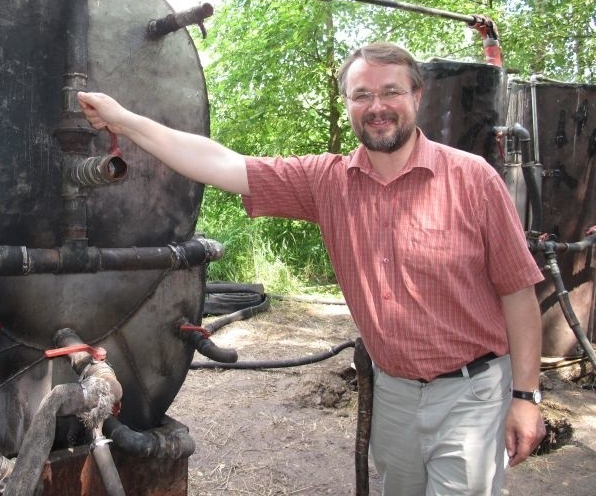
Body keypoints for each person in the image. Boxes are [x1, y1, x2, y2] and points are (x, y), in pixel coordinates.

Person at [77, 41, 546, 495]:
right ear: (347, 104)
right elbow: (218, 162)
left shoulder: (472, 179)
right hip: (395, 395)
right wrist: (123, 120)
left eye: (391, 92)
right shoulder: (327, 181)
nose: (377, 105)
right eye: (362, 95)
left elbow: (518, 292)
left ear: (417, 97)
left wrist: (526, 398)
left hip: (472, 395)